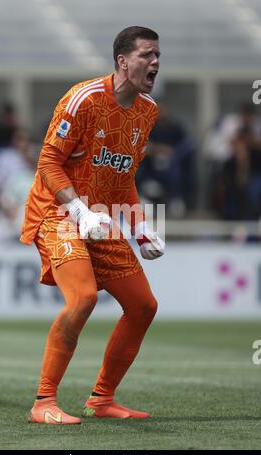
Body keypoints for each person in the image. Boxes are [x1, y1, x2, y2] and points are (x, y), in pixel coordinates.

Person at [20, 26, 165, 425]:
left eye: (157, 56)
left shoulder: (147, 111)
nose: (155, 63)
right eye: (146, 55)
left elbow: (122, 177)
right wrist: (80, 211)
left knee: (143, 305)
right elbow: (48, 162)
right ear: (122, 61)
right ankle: (43, 403)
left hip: (97, 217)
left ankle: (102, 399)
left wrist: (139, 227)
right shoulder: (83, 98)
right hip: (57, 212)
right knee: (82, 298)